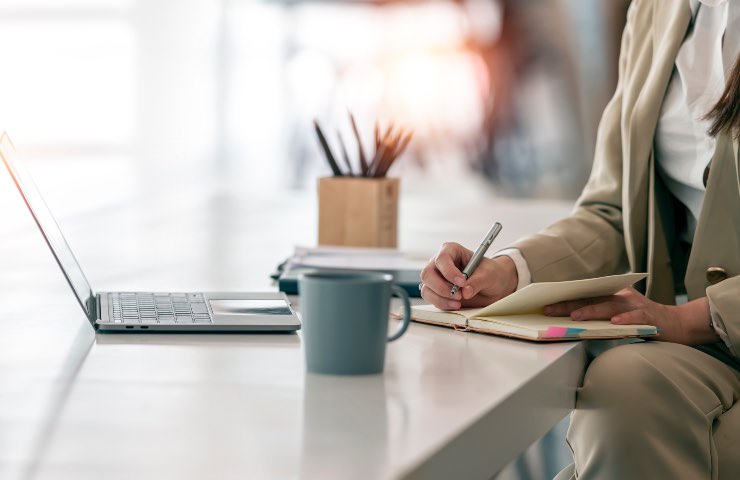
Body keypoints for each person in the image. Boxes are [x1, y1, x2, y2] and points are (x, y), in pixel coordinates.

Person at [420, 1, 739, 478]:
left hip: (701, 334)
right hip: (701, 357)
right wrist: (509, 272)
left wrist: (693, 319)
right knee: (622, 391)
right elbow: (614, 209)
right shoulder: (657, 11)